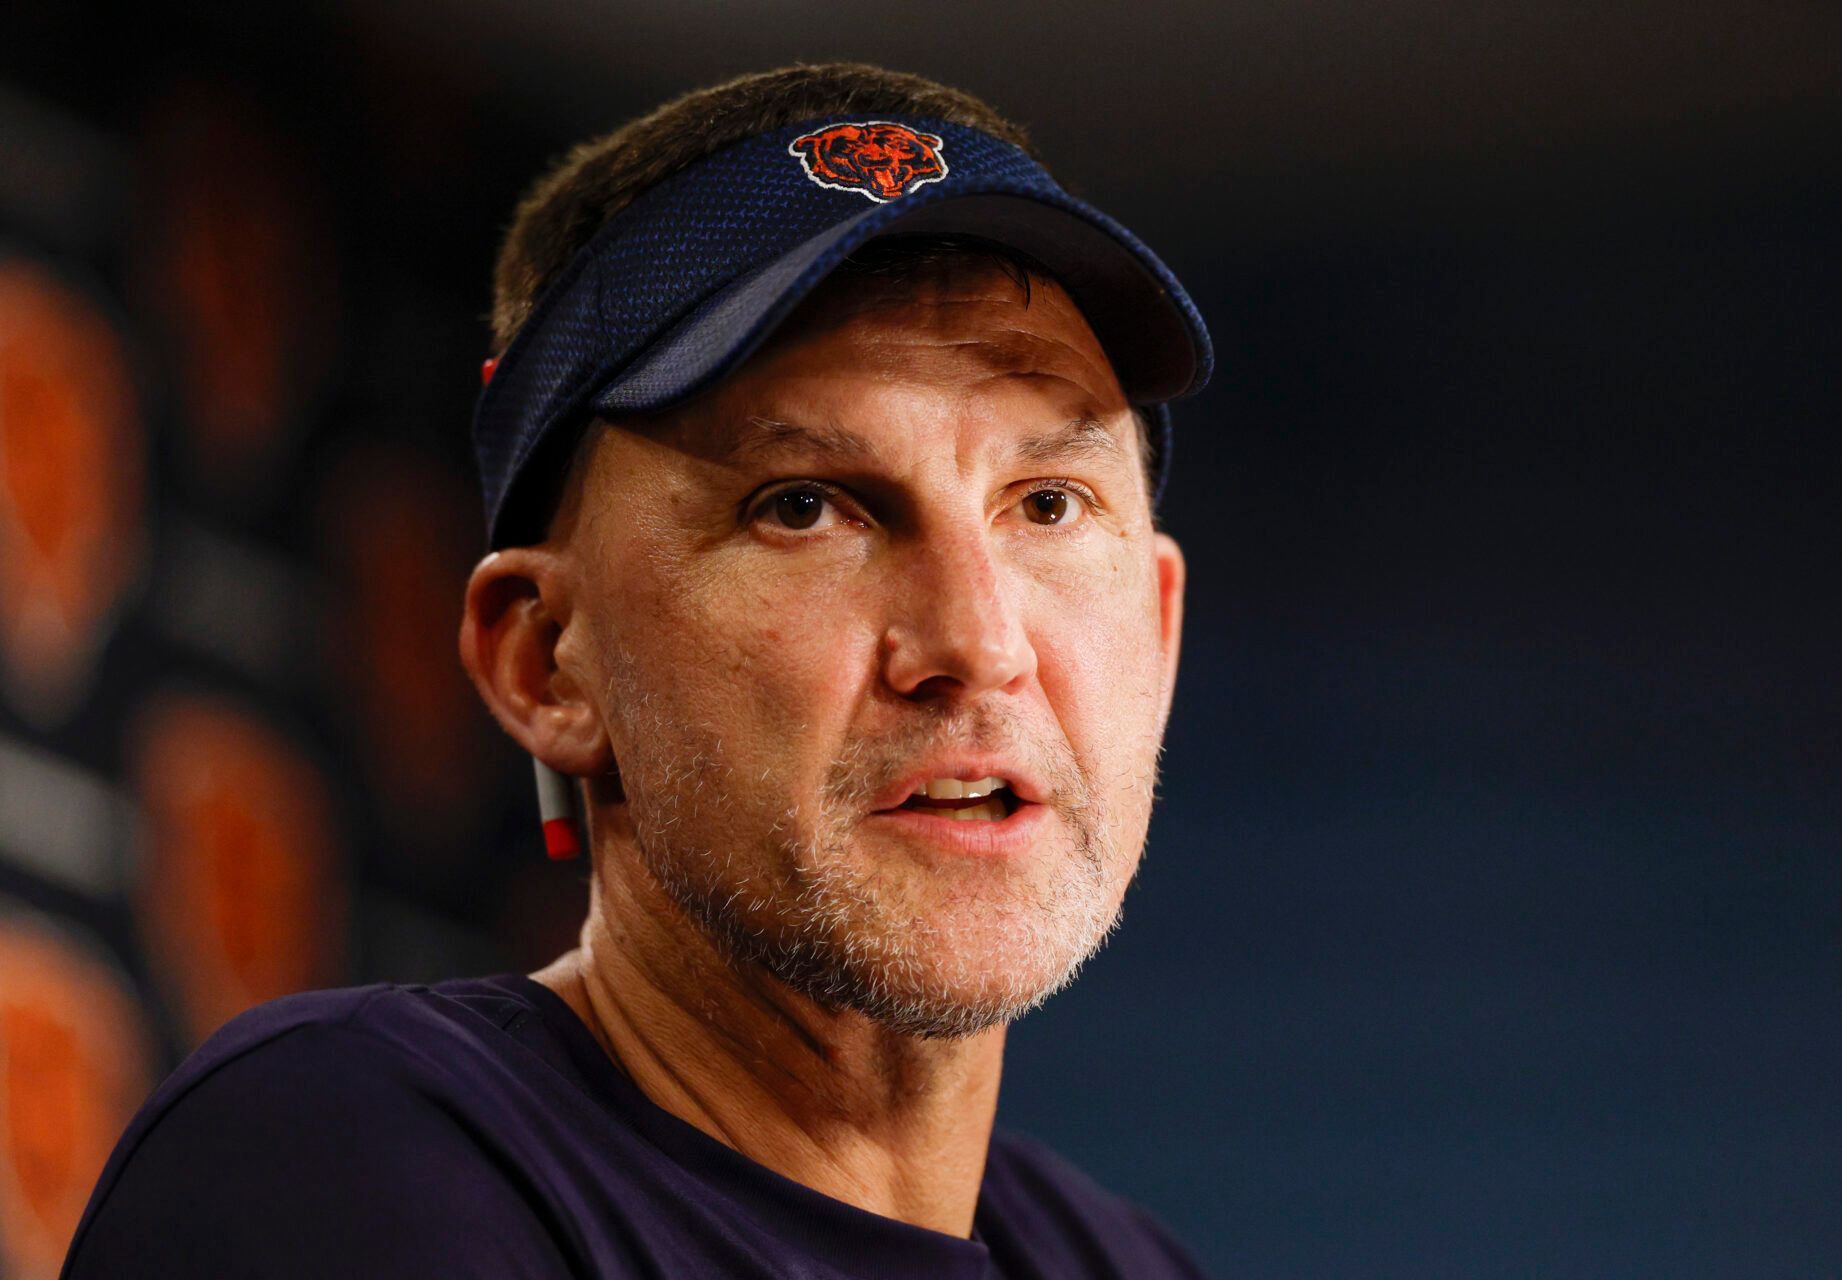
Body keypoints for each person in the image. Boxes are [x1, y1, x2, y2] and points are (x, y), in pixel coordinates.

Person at [64, 63, 1213, 1278]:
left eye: (1048, 500)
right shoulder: (344, 1152)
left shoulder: (1125, 1259)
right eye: (806, 505)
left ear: (1160, 621)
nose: (979, 644)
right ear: (544, 660)